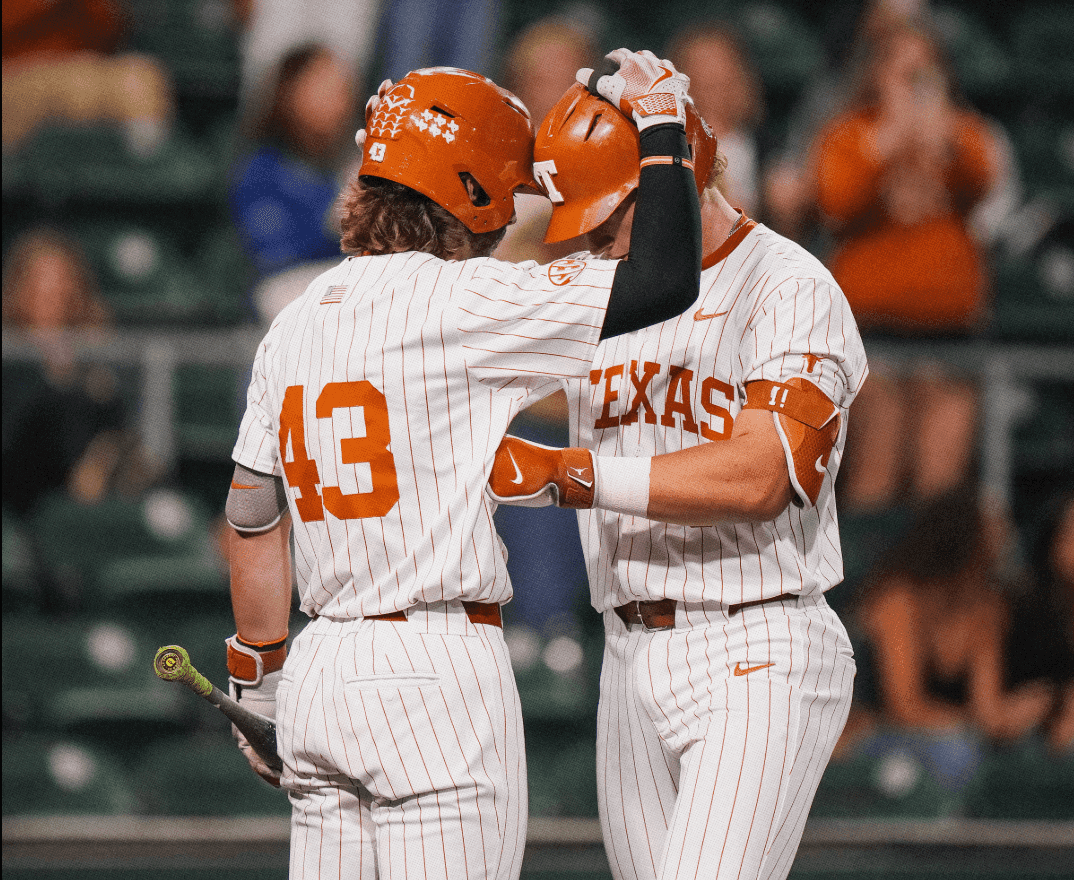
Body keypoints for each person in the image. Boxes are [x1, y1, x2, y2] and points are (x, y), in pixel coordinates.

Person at [223, 55, 704, 879]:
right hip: (434, 670)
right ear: (469, 190)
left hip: (320, 668)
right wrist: (663, 128)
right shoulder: (468, 300)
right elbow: (662, 278)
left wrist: (259, 679)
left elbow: (251, 513)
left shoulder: (295, 320)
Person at [487, 77, 867, 879]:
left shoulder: (789, 285)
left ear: (681, 170)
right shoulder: (602, 292)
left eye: (610, 214)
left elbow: (763, 473)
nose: (593, 240)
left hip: (755, 636)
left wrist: (576, 475)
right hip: (626, 651)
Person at [2, 228, 153, 517]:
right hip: (26, 500)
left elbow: (122, 434)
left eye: (63, 284)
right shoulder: (11, 366)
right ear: (20, 292)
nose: (54, 297)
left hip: (97, 500)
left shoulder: (99, 363)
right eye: (40, 285)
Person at [229, 43, 357, 322]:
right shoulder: (260, 168)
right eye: (322, 87)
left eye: (341, 89)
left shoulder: (356, 159)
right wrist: (335, 217)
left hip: (342, 283)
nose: (336, 100)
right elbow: (272, 252)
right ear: (289, 92)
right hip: (277, 292)